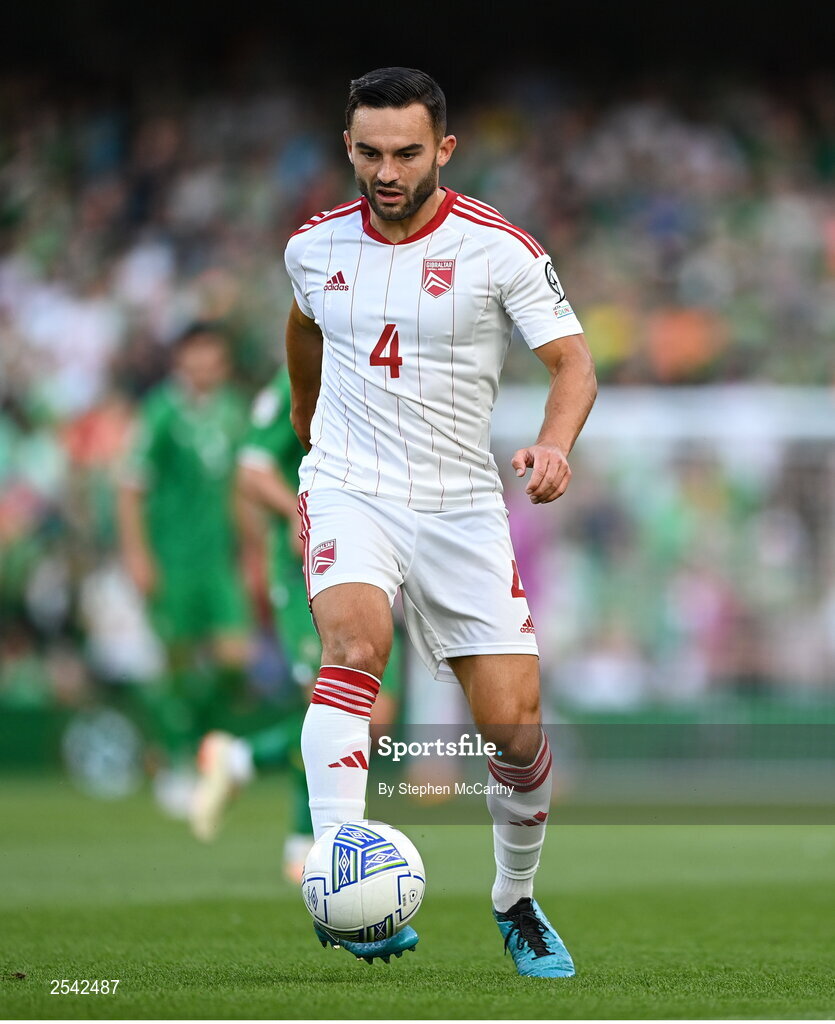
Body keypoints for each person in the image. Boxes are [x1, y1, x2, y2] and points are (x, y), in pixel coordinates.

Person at [285, 68, 596, 978]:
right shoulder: (311, 246)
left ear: (443, 150)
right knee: (351, 646)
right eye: (369, 152)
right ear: (348, 147)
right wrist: (307, 423)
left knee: (514, 730)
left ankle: (515, 899)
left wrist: (552, 446)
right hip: (350, 484)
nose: (386, 171)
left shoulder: (497, 249)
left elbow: (572, 366)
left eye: (406, 153)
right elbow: (302, 328)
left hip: (462, 503)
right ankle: (342, 880)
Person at [190, 366, 404, 882]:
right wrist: (295, 510)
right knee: (329, 697)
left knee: (377, 715)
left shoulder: (385, 366)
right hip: (308, 559)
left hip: (369, 557)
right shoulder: (303, 374)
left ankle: (238, 758)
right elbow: (252, 469)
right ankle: (302, 843)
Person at [117, 323, 251, 805]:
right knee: (174, 664)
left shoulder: (234, 411)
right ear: (180, 359)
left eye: (213, 358)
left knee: (235, 661)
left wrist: (253, 553)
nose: (205, 366)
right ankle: (173, 763)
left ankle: (200, 749)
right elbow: (131, 489)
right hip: (172, 561)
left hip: (219, 563)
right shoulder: (160, 412)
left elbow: (242, 488)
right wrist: (137, 555)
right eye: (196, 356)